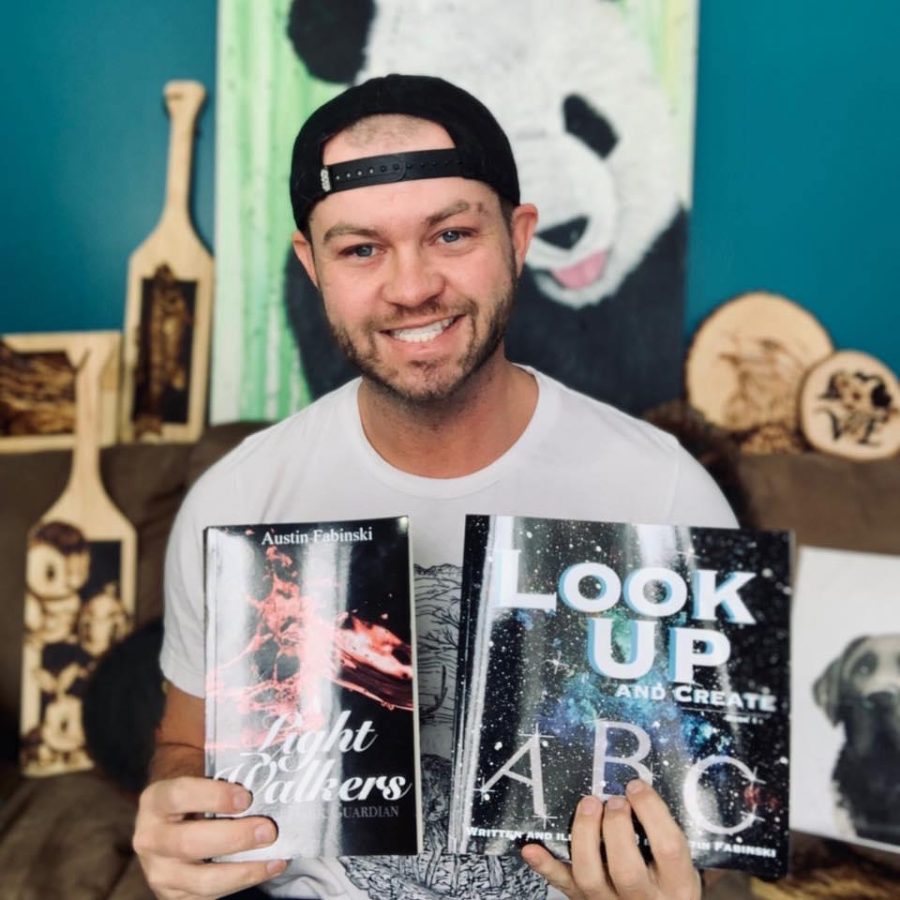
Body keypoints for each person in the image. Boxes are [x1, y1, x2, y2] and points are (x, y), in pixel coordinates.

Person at [133, 74, 736, 900]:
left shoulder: (666, 495)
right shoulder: (236, 503)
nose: (412, 287)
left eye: (451, 234)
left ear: (520, 237)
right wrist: (171, 812)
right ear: (311, 265)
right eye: (360, 248)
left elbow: (723, 806)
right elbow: (185, 745)